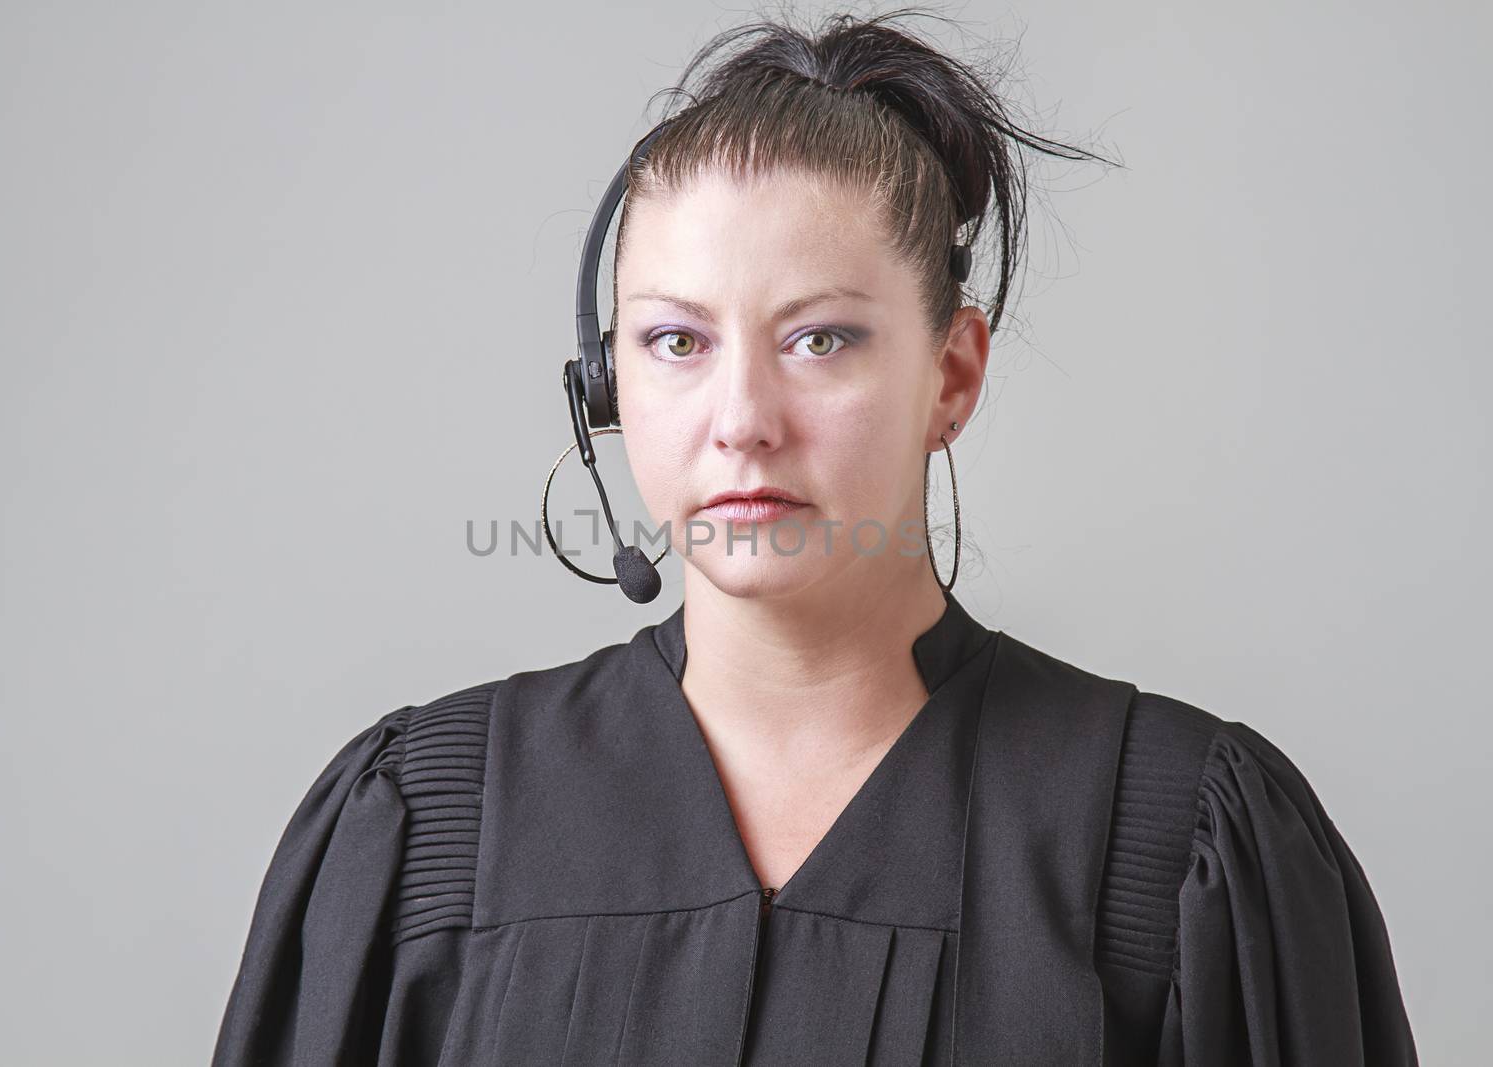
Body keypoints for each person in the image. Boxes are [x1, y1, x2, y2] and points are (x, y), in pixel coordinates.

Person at [211, 10, 1418, 1065]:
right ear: (605, 385)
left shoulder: (1180, 842)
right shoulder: (428, 823)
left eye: (820, 338)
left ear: (952, 373)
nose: (741, 422)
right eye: (676, 342)